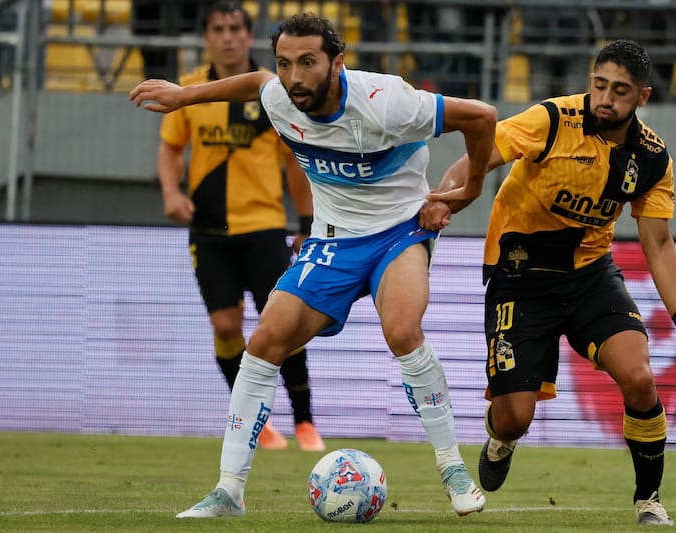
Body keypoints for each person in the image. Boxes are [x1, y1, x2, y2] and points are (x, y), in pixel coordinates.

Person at [130, 12, 497, 518]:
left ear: (337, 63)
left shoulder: (386, 101)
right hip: (333, 241)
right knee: (263, 343)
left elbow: (481, 116)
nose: (295, 76)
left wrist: (470, 190)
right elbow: (254, 83)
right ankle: (228, 490)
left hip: (399, 231)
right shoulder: (279, 94)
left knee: (401, 328)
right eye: (285, 63)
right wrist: (182, 95)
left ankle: (453, 468)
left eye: (307, 62)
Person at [425, 40, 676, 526]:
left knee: (641, 378)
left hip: (589, 274)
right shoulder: (553, 119)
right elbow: (482, 152)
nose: (605, 98)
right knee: (516, 416)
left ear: (641, 97)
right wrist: (445, 197)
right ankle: (500, 439)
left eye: (619, 91)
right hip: (519, 277)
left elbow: (658, 244)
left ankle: (648, 499)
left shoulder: (651, 159)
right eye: (599, 85)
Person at [156, 2, 324, 452]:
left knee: (282, 324)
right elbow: (171, 149)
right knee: (226, 324)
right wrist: (172, 193)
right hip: (210, 232)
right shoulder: (190, 90)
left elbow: (296, 166)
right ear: (207, 37)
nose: (227, 36)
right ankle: (252, 421)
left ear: (248, 37)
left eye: (235, 28)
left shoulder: (274, 92)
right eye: (218, 29)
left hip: (265, 226)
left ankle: (305, 422)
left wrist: (306, 223)